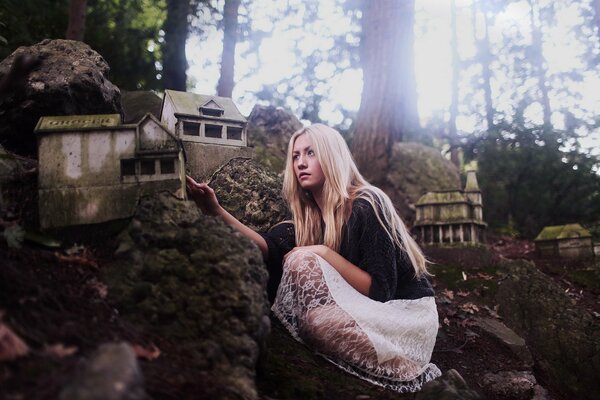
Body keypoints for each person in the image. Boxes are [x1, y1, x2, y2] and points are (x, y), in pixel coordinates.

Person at [186, 123, 441, 393]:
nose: (300, 163)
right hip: (365, 315)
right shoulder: (310, 222)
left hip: (406, 314)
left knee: (302, 262)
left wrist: (323, 252)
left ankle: (416, 378)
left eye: (310, 153)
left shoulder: (367, 204)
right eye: (295, 156)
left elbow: (380, 290)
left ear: (331, 156)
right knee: (315, 322)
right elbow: (269, 249)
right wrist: (215, 210)